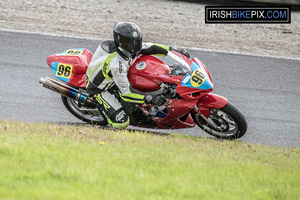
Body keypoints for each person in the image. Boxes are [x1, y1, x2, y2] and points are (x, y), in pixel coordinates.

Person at [86, 22, 190, 129]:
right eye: (131, 43)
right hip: (101, 89)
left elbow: (152, 48)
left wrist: (172, 50)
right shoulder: (117, 64)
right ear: (122, 43)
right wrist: (149, 99)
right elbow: (126, 93)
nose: (135, 46)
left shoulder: (130, 48)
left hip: (115, 76)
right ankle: (105, 114)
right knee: (122, 123)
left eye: (137, 41)